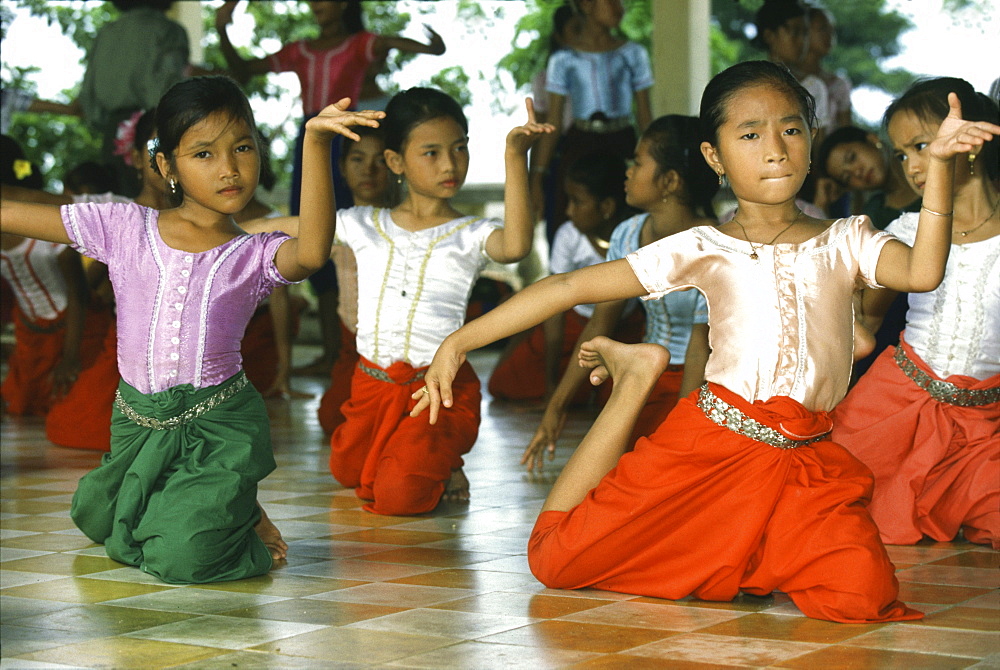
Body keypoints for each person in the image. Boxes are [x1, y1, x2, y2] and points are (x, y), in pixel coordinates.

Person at [414, 61, 999, 623]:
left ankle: (758, 547)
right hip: (711, 440)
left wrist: (941, 166)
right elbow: (568, 285)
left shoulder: (848, 239)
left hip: (807, 459)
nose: (775, 148)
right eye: (750, 134)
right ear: (714, 156)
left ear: (811, 139)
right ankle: (633, 383)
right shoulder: (703, 246)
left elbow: (924, 272)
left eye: (791, 129)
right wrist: (459, 342)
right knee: (556, 559)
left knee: (861, 595)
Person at [0, 75, 384, 584]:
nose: (229, 169)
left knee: (183, 558)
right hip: (137, 423)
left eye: (242, 147)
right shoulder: (123, 227)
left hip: (218, 428)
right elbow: (9, 212)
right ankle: (219, 508)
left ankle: (228, 514)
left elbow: (313, 251)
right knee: (93, 515)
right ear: (166, 166)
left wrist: (315, 144)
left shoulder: (254, 252)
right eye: (203, 154)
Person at [328, 88, 551, 516]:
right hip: (371, 385)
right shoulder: (362, 223)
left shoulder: (471, 233)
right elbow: (282, 228)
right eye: (431, 153)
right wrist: (316, 145)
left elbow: (518, 244)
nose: (450, 164)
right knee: (347, 470)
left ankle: (446, 458)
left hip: (438, 392)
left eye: (459, 149)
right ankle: (426, 458)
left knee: (399, 496)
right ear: (395, 162)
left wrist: (514, 155)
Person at [216, 0, 446, 376]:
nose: (319, 5)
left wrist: (429, 48)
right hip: (311, 142)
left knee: (355, 241)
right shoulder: (300, 50)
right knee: (315, 242)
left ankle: (363, 351)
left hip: (346, 137)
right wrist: (223, 28)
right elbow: (243, 70)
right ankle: (332, 351)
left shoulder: (360, 44)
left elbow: (395, 43)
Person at [832, 77, 1000, 550]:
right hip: (892, 405)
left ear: (973, 139)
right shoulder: (905, 230)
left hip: (983, 424)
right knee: (828, 499)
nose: (911, 166)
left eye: (922, 146)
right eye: (902, 154)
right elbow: (862, 320)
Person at [522, 115, 718, 472]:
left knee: (656, 473)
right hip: (642, 375)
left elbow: (699, 348)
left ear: (670, 181)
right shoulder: (628, 233)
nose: (628, 171)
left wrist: (683, 432)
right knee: (608, 473)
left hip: (698, 386)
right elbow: (600, 321)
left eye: (639, 162)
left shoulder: (713, 246)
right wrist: (557, 405)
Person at [488, 151, 641, 404]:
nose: (569, 211)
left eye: (577, 201)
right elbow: (556, 308)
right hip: (574, 325)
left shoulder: (632, 234)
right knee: (506, 383)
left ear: (606, 207)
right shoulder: (569, 236)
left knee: (618, 393)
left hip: (623, 327)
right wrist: (551, 380)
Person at [528, 0, 653, 246]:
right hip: (580, 142)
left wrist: (655, 160)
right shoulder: (564, 59)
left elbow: (645, 116)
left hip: (622, 143)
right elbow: (553, 122)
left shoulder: (633, 53)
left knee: (629, 214)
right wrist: (537, 178)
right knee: (569, 214)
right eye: (611, 1)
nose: (620, 8)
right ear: (586, 4)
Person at [818, 125, 921, 377]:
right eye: (846, 177)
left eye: (852, 158)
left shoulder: (933, 187)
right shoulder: (871, 217)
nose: (856, 172)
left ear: (872, 140)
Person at [0, 138, 90, 418]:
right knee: (21, 406)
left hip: (74, 334)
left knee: (68, 415)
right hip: (29, 338)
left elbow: (79, 293)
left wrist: (70, 357)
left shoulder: (48, 224)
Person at [315, 126, 394, 434]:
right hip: (354, 347)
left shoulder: (404, 221)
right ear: (342, 168)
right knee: (334, 419)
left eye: (380, 161)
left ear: (396, 164)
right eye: (357, 160)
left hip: (398, 348)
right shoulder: (337, 225)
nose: (369, 170)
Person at [800, 6, 852, 129]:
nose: (829, 36)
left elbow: (846, 130)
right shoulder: (786, 78)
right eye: (822, 29)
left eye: (832, 30)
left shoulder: (839, 84)